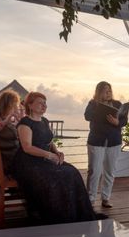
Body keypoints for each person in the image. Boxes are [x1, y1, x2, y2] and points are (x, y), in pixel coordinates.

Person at [11, 91, 98, 224]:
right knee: (55, 175)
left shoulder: (44, 121)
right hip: (29, 161)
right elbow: (27, 147)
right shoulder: (25, 122)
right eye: (40, 103)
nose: (44, 106)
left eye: (45, 103)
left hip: (46, 158)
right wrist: (49, 155)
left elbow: (49, 141)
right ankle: (56, 214)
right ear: (30, 105)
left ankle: (72, 212)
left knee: (72, 172)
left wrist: (57, 152)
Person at [84, 81, 128, 207]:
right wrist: (101, 109)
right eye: (105, 90)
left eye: (109, 90)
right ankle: (91, 198)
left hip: (114, 142)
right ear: (99, 92)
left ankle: (106, 198)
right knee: (94, 171)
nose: (108, 92)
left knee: (110, 171)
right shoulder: (93, 104)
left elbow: (124, 120)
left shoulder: (117, 104)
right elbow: (87, 116)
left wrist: (117, 122)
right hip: (96, 141)